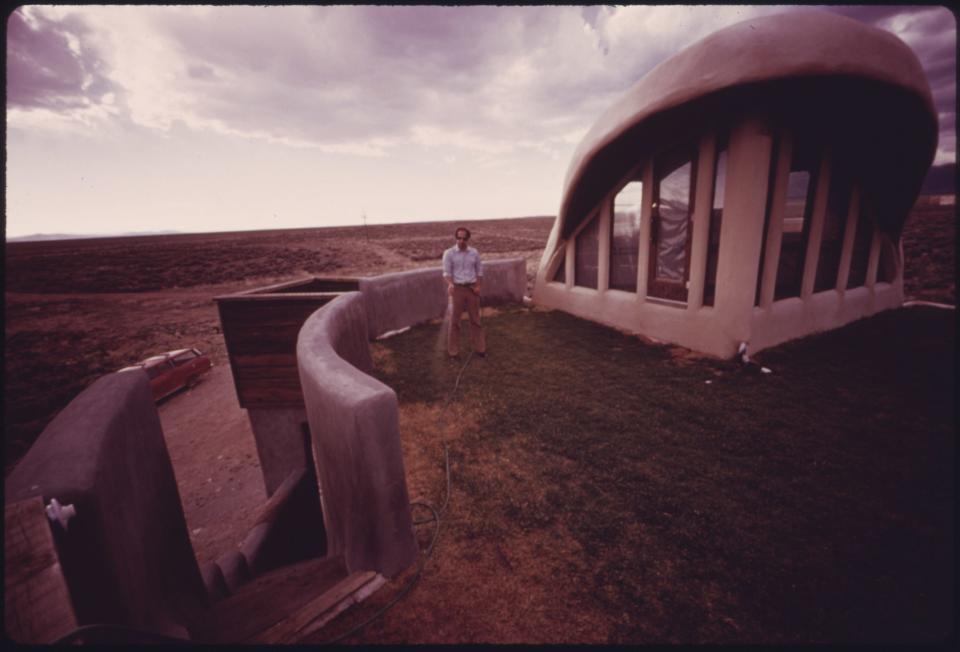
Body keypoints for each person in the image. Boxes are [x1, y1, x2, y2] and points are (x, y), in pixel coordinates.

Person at [442, 227, 486, 359]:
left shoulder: (474, 253)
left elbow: (479, 271)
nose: (461, 241)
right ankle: (453, 352)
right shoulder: (449, 253)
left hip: (472, 289)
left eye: (464, 238)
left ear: (468, 239)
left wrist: (478, 286)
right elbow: (446, 273)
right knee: (455, 321)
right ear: (456, 238)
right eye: (459, 238)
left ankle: (480, 349)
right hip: (457, 290)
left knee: (476, 320)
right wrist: (450, 284)